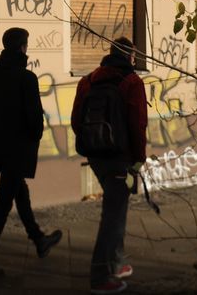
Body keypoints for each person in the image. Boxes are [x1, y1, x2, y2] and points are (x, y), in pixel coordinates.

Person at [0, 27, 63, 281]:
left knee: (20, 193)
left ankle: (39, 239)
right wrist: (32, 138)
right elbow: (35, 122)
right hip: (16, 150)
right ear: (23, 47)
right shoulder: (26, 79)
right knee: (2, 208)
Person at [71, 36, 148, 295]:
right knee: (113, 215)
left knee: (117, 207)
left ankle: (116, 263)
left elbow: (76, 120)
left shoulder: (88, 80)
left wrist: (95, 143)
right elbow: (138, 125)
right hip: (121, 157)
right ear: (130, 57)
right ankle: (101, 275)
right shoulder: (132, 82)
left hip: (95, 155)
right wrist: (139, 158)